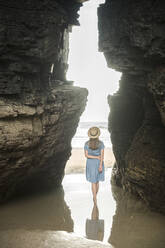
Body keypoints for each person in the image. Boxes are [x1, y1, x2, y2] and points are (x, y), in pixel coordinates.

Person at [84, 126, 105, 204]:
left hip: (90, 163)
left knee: (93, 182)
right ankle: (95, 197)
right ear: (98, 135)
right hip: (98, 163)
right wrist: (100, 165)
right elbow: (102, 156)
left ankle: (94, 197)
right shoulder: (101, 144)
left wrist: (94, 157)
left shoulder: (86, 143)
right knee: (97, 181)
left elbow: (86, 155)